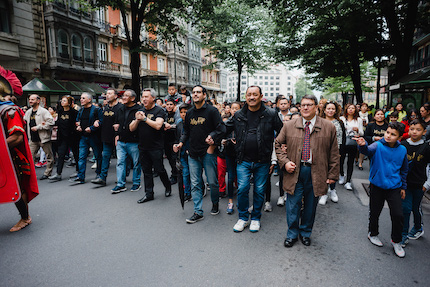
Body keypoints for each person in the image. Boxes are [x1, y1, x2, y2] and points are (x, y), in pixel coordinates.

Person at [275, 95, 339, 247]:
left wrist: (332, 175)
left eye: (309, 105)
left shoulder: (328, 127)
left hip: (317, 172)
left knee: (310, 206)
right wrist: (285, 162)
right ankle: (291, 234)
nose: (305, 108)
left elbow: (334, 153)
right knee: (293, 205)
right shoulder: (290, 125)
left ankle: (305, 232)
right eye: (303, 105)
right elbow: (277, 144)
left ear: (317, 107)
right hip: (295, 171)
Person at [225, 86, 283, 233]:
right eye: (249, 94)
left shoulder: (270, 113)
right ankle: (243, 218)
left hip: (263, 160)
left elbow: (282, 132)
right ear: (246, 96)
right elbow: (224, 128)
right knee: (243, 188)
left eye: (255, 95)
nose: (251, 97)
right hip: (243, 159)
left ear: (261, 96)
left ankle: (256, 218)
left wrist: (276, 157)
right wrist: (212, 136)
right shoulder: (238, 114)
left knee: (259, 190)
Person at [173, 85, 226, 223]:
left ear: (204, 95)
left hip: (208, 152)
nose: (195, 94)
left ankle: (215, 204)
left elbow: (221, 129)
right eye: (194, 92)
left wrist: (212, 139)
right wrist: (181, 143)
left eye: (198, 92)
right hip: (193, 153)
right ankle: (198, 211)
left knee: (213, 182)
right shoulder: (189, 113)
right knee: (195, 183)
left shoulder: (212, 111)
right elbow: (186, 131)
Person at [356, 122, 408, 258]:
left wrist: (403, 187)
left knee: (398, 215)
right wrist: (362, 145)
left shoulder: (402, 150)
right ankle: (372, 233)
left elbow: (404, 170)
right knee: (375, 212)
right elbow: (367, 151)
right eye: (387, 132)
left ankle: (396, 241)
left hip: (394, 187)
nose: (388, 136)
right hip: (377, 185)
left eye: (393, 134)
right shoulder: (377, 145)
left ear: (399, 137)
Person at [0, 66, 39, 232]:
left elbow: (17, 137)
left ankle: (25, 218)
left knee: (15, 188)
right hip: (4, 156)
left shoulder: (10, 111)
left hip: (12, 158)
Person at [130, 88, 171, 203]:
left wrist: (144, 118)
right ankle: (149, 194)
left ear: (153, 98)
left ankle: (167, 186)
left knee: (159, 169)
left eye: (146, 97)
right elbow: (131, 128)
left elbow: (158, 125)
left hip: (156, 146)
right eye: (142, 97)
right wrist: (138, 120)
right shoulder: (140, 110)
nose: (144, 99)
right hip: (143, 146)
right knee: (146, 171)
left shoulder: (159, 111)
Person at [400, 120, 430, 246]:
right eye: (412, 129)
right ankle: (403, 235)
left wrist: (426, 185)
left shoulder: (427, 147)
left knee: (415, 208)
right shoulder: (402, 145)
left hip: (420, 184)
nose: (414, 132)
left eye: (418, 129)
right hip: (405, 184)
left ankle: (418, 226)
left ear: (424, 132)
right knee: (405, 209)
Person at [110, 89, 142, 193]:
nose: (123, 97)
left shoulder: (139, 110)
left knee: (136, 163)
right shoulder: (120, 108)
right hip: (121, 141)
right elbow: (117, 123)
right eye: (123, 96)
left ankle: (136, 183)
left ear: (133, 98)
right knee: (120, 163)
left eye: (126, 96)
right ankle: (120, 184)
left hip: (134, 141)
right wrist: (116, 135)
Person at [69, 92, 103, 184]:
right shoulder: (81, 110)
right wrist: (78, 126)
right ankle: (81, 177)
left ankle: (99, 175)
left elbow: (101, 121)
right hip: (83, 137)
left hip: (94, 137)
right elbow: (77, 120)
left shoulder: (96, 109)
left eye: (83, 98)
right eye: (81, 98)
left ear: (89, 99)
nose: (81, 100)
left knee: (98, 156)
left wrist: (92, 128)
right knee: (81, 157)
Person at [318, 101, 345, 205]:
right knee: (323, 172)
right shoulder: (319, 121)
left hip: (335, 151)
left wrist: (340, 152)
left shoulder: (340, 122)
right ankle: (323, 193)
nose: (330, 111)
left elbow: (341, 138)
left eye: (333, 109)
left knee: (333, 172)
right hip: (321, 151)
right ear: (324, 110)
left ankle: (333, 191)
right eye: (328, 109)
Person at [24, 94, 55, 180]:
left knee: (49, 156)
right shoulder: (28, 112)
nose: (30, 101)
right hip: (32, 139)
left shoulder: (44, 111)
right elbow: (24, 122)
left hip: (43, 138)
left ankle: (47, 173)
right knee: (30, 157)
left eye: (32, 99)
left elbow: (51, 122)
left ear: (38, 101)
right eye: (29, 99)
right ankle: (31, 174)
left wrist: (38, 127)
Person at [48, 96, 79, 182]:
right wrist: (52, 123)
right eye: (62, 100)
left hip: (72, 136)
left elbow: (75, 123)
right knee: (61, 154)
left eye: (64, 101)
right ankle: (58, 174)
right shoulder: (60, 111)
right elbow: (58, 122)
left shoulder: (74, 112)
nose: (62, 102)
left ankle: (78, 171)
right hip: (62, 137)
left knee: (76, 154)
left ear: (69, 103)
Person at [339, 103, 363, 190]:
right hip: (342, 142)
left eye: (353, 108)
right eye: (349, 108)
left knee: (350, 162)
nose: (351, 110)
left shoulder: (358, 120)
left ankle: (348, 181)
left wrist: (358, 130)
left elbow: (362, 133)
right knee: (340, 161)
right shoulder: (341, 119)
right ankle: (341, 174)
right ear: (346, 109)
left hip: (353, 142)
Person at [224, 101, 240, 214]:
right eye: (233, 108)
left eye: (237, 108)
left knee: (241, 179)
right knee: (230, 177)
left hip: (241, 154)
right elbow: (221, 134)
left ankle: (241, 201)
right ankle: (230, 201)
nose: (234, 110)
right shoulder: (227, 121)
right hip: (229, 152)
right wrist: (224, 140)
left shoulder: (244, 121)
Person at [176, 103, 192, 202]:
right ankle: (187, 193)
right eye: (181, 112)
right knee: (185, 173)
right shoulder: (179, 124)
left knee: (195, 174)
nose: (183, 114)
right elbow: (176, 138)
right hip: (182, 153)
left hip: (192, 152)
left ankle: (200, 188)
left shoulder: (193, 123)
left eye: (185, 112)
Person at [164, 99, 180, 184]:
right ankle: (174, 173)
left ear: (174, 106)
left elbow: (178, 125)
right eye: (167, 104)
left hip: (174, 140)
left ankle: (175, 175)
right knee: (169, 159)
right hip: (166, 140)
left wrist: (170, 126)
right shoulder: (164, 114)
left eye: (171, 104)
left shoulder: (176, 114)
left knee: (174, 159)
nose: (169, 106)